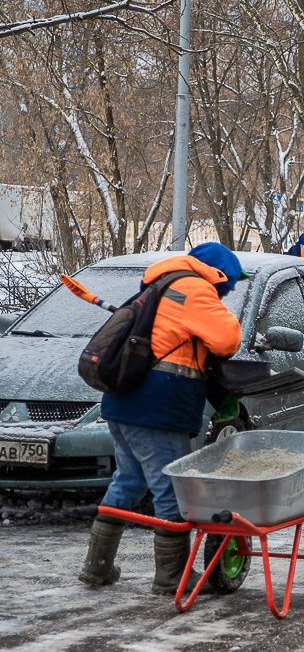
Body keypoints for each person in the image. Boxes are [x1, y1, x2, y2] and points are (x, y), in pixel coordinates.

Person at [78, 242, 245, 595]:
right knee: (170, 490)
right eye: (230, 283)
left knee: (128, 481)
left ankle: (97, 567)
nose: (229, 290)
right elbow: (227, 339)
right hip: (157, 407)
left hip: (123, 403)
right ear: (220, 275)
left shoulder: (160, 282)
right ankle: (172, 577)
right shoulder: (194, 288)